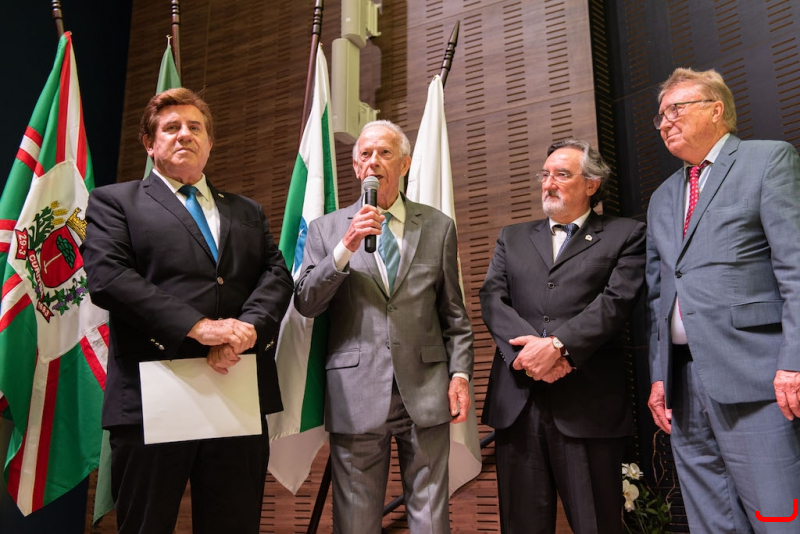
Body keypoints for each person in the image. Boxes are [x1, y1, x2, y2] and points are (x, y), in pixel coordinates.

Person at [81, 87, 293, 534]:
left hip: (235, 387)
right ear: (149, 143)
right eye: (171, 127)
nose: (184, 135)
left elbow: (276, 275)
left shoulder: (247, 211)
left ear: (210, 142)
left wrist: (246, 329)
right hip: (153, 391)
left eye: (195, 127)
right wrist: (197, 327)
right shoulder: (114, 202)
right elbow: (108, 278)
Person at [293, 120, 474, 533]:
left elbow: (454, 315)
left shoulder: (438, 226)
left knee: (431, 521)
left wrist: (460, 374)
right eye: (365, 154)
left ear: (404, 164)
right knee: (355, 523)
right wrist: (345, 248)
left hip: (426, 390)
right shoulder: (327, 229)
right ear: (356, 168)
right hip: (355, 392)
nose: (373, 161)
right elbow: (306, 302)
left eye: (384, 153)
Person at [646, 67, 800, 532]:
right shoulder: (662, 197)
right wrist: (659, 376)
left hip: (758, 376)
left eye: (676, 109)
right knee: (711, 522)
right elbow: (659, 297)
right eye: (660, 115)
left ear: (716, 110)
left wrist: (793, 361)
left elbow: (795, 268)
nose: (665, 122)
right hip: (684, 385)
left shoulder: (767, 160)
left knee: (778, 515)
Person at [480, 139, 646, 534]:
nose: (549, 183)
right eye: (545, 174)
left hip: (587, 404)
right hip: (518, 404)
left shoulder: (625, 234)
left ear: (591, 184)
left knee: (597, 524)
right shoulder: (512, 237)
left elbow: (616, 302)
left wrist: (558, 347)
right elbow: (492, 299)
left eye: (562, 175)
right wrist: (530, 355)